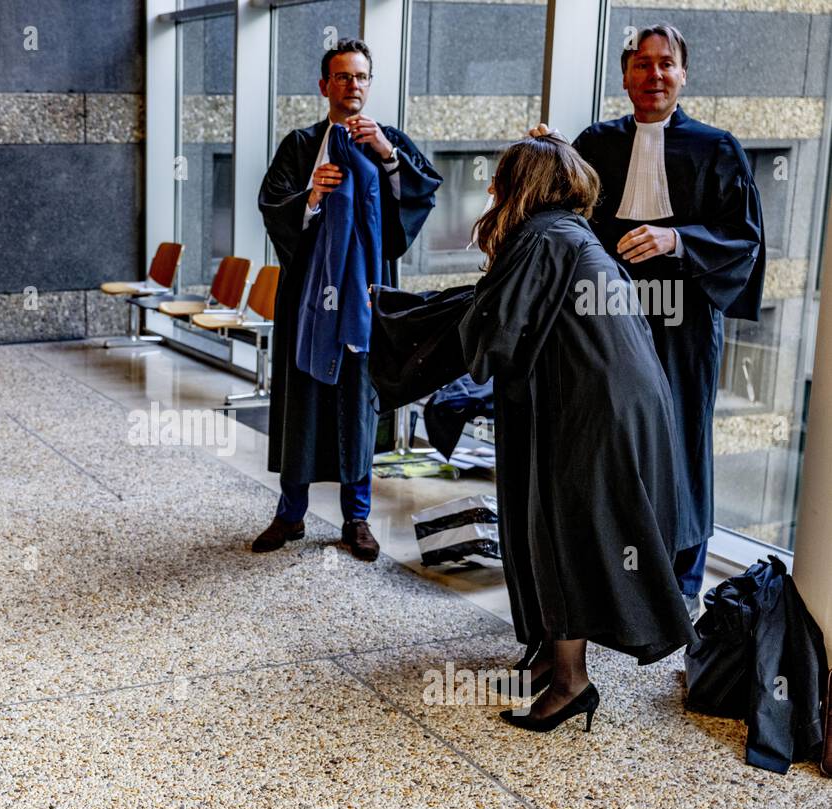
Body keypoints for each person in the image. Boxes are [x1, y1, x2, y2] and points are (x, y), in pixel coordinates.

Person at [460, 135, 695, 731]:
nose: (492, 189)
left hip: (595, 404)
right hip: (625, 398)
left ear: (524, 187)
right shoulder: (572, 233)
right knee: (576, 527)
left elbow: (501, 330)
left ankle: (571, 684)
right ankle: (552, 665)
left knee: (563, 532)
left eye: (502, 179)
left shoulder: (541, 236)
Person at [530, 24, 764, 622]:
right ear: (626, 73)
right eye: (642, 65)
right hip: (608, 315)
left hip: (683, 317)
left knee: (683, 432)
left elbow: (744, 240)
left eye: (666, 65)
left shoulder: (718, 149)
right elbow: (561, 202)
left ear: (683, 75)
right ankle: (612, 563)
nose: (653, 76)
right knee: (612, 431)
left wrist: (676, 237)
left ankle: (682, 576)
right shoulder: (597, 142)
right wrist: (545, 154)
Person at [256, 39, 440, 560]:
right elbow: (272, 206)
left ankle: (356, 520)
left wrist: (386, 153)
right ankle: (291, 514)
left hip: (364, 297)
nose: (351, 85)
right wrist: (312, 196)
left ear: (368, 84)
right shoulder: (300, 144)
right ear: (324, 86)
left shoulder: (389, 142)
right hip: (309, 299)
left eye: (360, 77)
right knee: (302, 401)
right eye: (341, 77)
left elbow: (421, 196)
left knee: (358, 406)